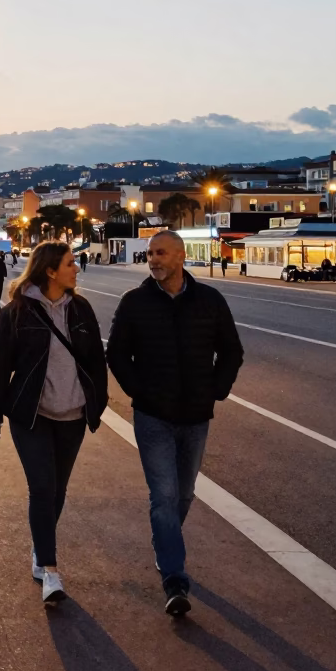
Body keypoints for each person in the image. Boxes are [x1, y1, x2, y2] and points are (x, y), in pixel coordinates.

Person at [106, 230, 244, 617]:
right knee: (164, 496)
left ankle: (164, 542)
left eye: (160, 253)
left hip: (197, 416)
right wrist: (140, 393)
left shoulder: (209, 300)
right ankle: (174, 578)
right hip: (153, 417)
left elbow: (232, 350)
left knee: (184, 496)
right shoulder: (135, 302)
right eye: (150, 254)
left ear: (181, 257)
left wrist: (216, 390)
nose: (153, 260)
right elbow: (116, 354)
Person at [0, 241, 108, 605]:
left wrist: (95, 402)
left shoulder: (81, 309)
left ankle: (40, 547)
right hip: (31, 414)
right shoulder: (18, 311)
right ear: (51, 271)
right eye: (71, 263)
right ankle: (50, 569)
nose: (77, 268)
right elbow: (0, 365)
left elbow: (95, 361)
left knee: (58, 490)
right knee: (41, 487)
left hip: (73, 414)